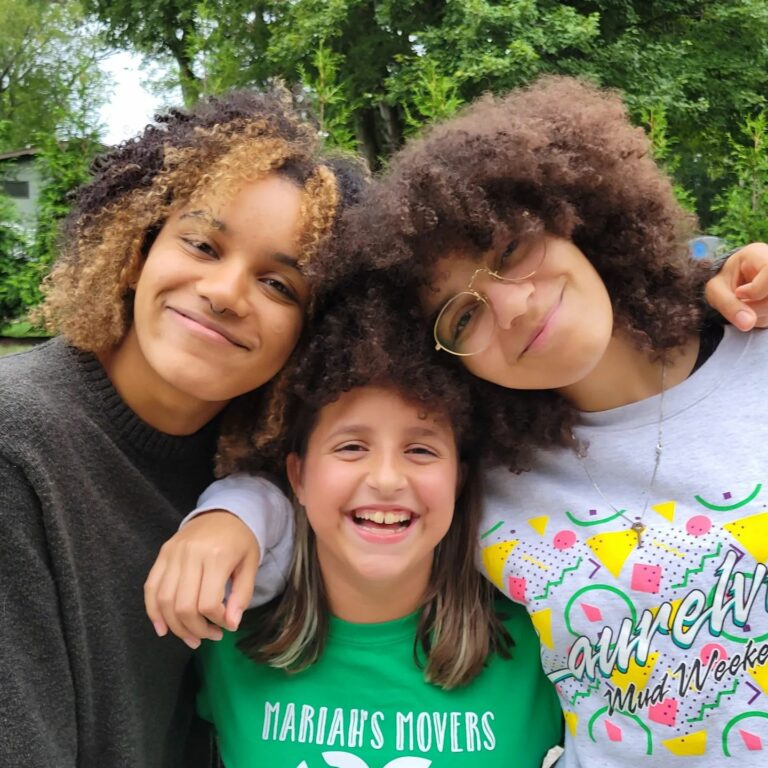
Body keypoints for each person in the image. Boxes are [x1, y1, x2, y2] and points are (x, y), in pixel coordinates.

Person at [148, 77, 768, 766]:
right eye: (463, 316)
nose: (513, 308)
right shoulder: (493, 473)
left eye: (510, 251)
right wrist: (229, 514)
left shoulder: (754, 345)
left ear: (575, 214)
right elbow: (337, 503)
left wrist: (723, 267)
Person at [0, 88, 365, 768]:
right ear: (138, 255)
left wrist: (245, 514)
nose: (226, 292)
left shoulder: (261, 461)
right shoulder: (17, 444)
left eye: (279, 286)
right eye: (202, 243)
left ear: (311, 336)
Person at [196, 281, 563, 767]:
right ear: (298, 476)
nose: (387, 479)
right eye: (351, 447)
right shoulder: (222, 638)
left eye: (421, 449)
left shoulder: (547, 640)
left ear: (458, 480)